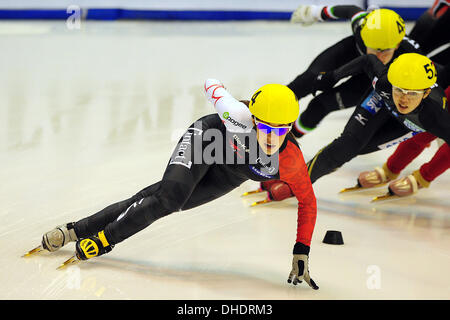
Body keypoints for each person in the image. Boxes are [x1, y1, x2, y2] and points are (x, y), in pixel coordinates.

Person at [29, 80, 319, 289]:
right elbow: (211, 86)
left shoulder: (290, 160)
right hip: (207, 140)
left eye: (282, 130)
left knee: (165, 200)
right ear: (253, 120)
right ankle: (100, 239)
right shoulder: (237, 117)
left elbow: (308, 201)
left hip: (227, 175)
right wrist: (220, 94)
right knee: (169, 198)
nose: (272, 136)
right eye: (267, 128)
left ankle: (75, 229)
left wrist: (301, 250)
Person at [305, 52, 450, 187]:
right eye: (399, 90)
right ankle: (299, 180)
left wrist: (425, 177)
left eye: (412, 93)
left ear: (426, 93)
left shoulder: (435, 118)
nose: (404, 99)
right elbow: (367, 60)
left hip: (413, 120)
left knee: (358, 150)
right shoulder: (385, 82)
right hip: (383, 99)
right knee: (348, 146)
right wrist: (331, 77)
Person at [288, 6, 419, 138]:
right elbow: (350, 10)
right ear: (364, 38)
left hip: (369, 80)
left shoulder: (410, 54)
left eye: (385, 51)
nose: (379, 57)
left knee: (321, 105)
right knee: (306, 81)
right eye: (374, 49)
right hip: (351, 53)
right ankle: (269, 114)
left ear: (397, 45)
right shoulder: (360, 27)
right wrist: (316, 12)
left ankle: (289, 138)